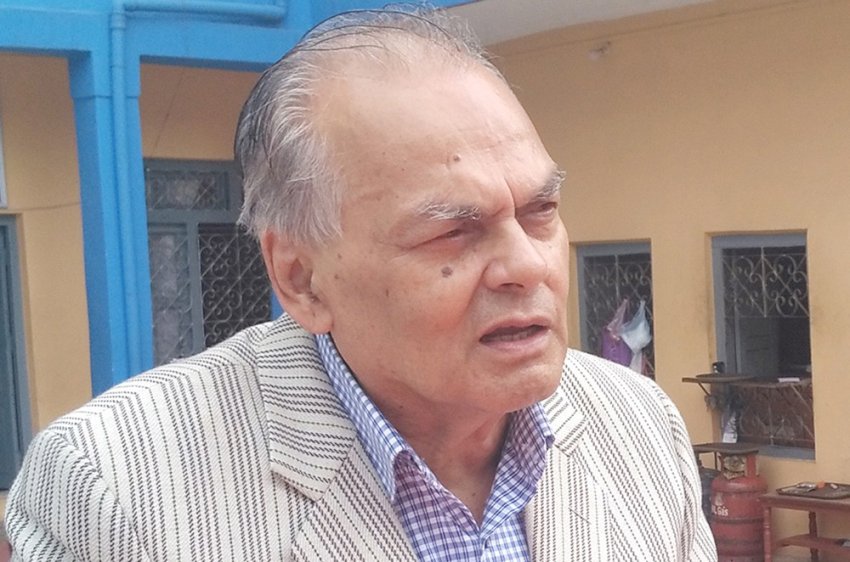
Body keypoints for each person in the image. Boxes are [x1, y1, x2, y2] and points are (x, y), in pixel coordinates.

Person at [4, 6, 716, 561]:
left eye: (541, 211)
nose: (528, 266)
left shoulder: (637, 425)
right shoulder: (116, 487)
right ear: (301, 279)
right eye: (452, 233)